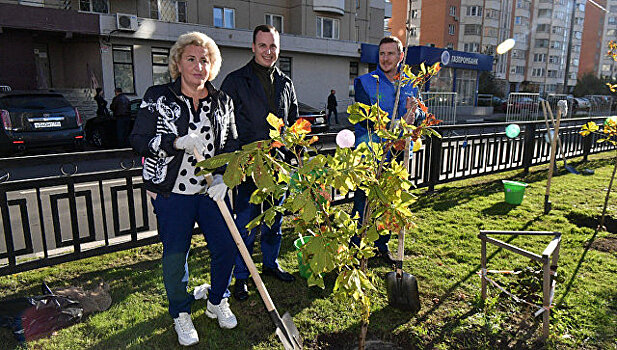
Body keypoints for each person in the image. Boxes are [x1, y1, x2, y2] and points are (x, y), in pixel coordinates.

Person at [130, 31, 239, 347]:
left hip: (210, 192)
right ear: (178, 62)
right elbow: (138, 139)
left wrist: (222, 178)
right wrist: (174, 143)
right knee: (176, 255)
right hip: (172, 193)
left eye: (204, 60)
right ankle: (181, 312)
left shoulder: (222, 101)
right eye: (191, 59)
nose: (198, 66)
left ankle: (217, 300)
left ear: (212, 65)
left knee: (227, 247)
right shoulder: (158, 96)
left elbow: (231, 144)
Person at [221, 24, 299, 302]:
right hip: (247, 166)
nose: (269, 51)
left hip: (278, 168)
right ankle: (242, 276)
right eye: (263, 45)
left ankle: (270, 263)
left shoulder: (286, 83)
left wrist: (291, 158)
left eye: (273, 46)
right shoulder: (234, 81)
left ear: (279, 48)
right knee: (246, 223)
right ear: (253, 47)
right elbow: (225, 127)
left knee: (274, 220)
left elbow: (291, 125)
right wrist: (235, 163)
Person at [351, 36, 422, 265]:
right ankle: (357, 245)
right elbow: (366, 121)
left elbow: (419, 115)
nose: (385, 58)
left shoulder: (411, 83)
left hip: (399, 151)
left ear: (401, 56)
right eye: (382, 53)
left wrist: (415, 114)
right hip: (371, 151)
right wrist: (399, 122)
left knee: (390, 201)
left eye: (391, 53)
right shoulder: (365, 82)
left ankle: (381, 245)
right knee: (363, 200)